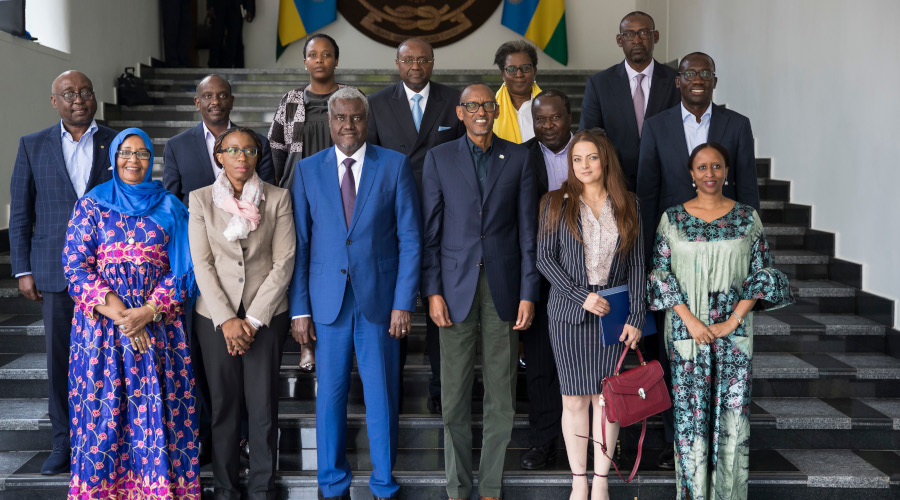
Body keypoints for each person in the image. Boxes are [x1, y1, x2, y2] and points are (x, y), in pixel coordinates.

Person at [289, 87, 422, 500]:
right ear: (329, 123)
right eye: (341, 119)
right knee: (329, 397)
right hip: (327, 302)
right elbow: (301, 245)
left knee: (381, 393)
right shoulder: (307, 170)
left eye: (357, 118)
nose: (349, 126)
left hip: (379, 303)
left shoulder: (395, 166)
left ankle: (383, 481)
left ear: (368, 121)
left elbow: (410, 240)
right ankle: (331, 483)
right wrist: (299, 310)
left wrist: (404, 302)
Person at [647, 142, 793, 500]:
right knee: (691, 420)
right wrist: (691, 322)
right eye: (702, 167)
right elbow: (660, 276)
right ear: (690, 173)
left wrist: (731, 322)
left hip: (735, 332)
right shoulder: (673, 219)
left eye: (716, 166)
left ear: (727, 172)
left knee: (731, 420)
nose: (709, 174)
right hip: (686, 332)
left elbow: (762, 275)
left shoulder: (747, 218)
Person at [63, 128, 199, 497]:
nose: (133, 161)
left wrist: (150, 311)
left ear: (151, 159)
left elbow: (185, 271)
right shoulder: (91, 205)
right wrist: (126, 316)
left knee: (158, 416)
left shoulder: (171, 207)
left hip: (159, 332)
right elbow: (75, 267)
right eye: (126, 152)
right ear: (114, 158)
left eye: (141, 154)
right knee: (103, 420)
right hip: (103, 334)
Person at [422, 82, 539, 500]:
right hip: (453, 290)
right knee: (453, 397)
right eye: (472, 105)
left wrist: (529, 292)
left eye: (488, 105)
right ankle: (457, 487)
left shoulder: (520, 157)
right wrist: (432, 291)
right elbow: (430, 233)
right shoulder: (438, 158)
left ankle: (489, 486)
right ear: (460, 112)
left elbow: (530, 233)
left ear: (496, 110)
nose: (481, 112)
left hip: (504, 289)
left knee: (501, 397)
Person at [9, 70, 116, 475]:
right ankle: (63, 443)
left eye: (85, 91)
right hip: (54, 271)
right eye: (68, 93)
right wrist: (23, 269)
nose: (78, 99)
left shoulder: (116, 142)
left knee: (105, 362)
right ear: (54, 101)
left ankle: (105, 439)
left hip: (109, 275)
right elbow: (20, 214)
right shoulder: (32, 145)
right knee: (60, 362)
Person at [536, 130, 645, 500]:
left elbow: (638, 267)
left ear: (605, 161)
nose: (584, 166)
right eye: (577, 159)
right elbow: (545, 260)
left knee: (606, 398)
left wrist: (636, 316)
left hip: (614, 313)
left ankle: (601, 478)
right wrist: (580, 295)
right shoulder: (555, 203)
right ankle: (578, 478)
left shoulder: (629, 203)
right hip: (570, 314)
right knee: (574, 400)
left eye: (592, 158)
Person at [189, 127, 296, 499]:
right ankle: (225, 488)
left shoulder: (278, 198)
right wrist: (227, 319)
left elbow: (284, 262)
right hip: (215, 318)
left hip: (265, 316)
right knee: (224, 406)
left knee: (263, 405)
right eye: (232, 150)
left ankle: (262, 487)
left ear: (257, 156)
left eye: (249, 150)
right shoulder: (201, 199)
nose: (241, 157)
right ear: (219, 155)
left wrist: (250, 320)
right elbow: (201, 264)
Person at [366, 37, 465, 415]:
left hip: (445, 220)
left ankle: (442, 391)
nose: (416, 66)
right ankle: (393, 387)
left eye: (423, 60)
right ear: (397, 62)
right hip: (394, 222)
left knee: (443, 309)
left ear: (433, 62)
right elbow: (372, 164)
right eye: (408, 60)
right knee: (399, 306)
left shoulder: (454, 100)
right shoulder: (375, 105)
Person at [268, 34, 354, 373]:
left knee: (333, 266)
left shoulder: (350, 99)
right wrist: (281, 187)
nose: (319, 60)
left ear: (336, 60)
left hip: (341, 191)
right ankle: (306, 345)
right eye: (313, 55)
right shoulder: (290, 100)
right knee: (300, 261)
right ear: (304, 61)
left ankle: (338, 336)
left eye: (327, 54)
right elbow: (275, 150)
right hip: (298, 190)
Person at [637, 52, 761, 259]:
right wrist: (646, 248)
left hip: (726, 236)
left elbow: (748, 189)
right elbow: (647, 192)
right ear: (678, 81)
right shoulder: (655, 126)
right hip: (674, 238)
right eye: (690, 73)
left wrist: (751, 241)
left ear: (714, 81)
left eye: (705, 73)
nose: (697, 79)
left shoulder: (738, 125)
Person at [517, 89, 572, 470]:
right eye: (540, 119)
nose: (547, 125)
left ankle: (578, 444)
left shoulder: (591, 151)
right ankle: (542, 442)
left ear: (569, 116)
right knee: (539, 365)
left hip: (585, 277)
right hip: (539, 275)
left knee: (580, 366)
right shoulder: (521, 155)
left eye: (554, 117)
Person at [579, 11, 680, 192]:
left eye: (644, 33)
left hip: (666, 184)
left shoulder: (676, 81)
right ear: (620, 40)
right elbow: (588, 136)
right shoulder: (599, 84)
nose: (637, 40)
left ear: (655, 36)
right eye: (629, 34)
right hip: (615, 186)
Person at [164, 74, 275, 206]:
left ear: (231, 101)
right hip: (195, 224)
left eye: (222, 96)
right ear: (197, 103)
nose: (215, 101)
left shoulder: (258, 143)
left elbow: (268, 195)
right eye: (208, 96)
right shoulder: (176, 146)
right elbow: (172, 201)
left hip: (248, 224)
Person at [493, 40, 541, 144]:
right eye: (511, 69)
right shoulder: (491, 108)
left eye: (525, 68)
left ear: (534, 71)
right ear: (503, 75)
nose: (519, 74)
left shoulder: (548, 105)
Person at [208, 0, 255, 68]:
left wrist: (250, 8)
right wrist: (210, 6)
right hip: (218, 6)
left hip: (236, 6)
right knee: (216, 38)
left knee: (236, 39)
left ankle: (237, 69)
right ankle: (214, 68)